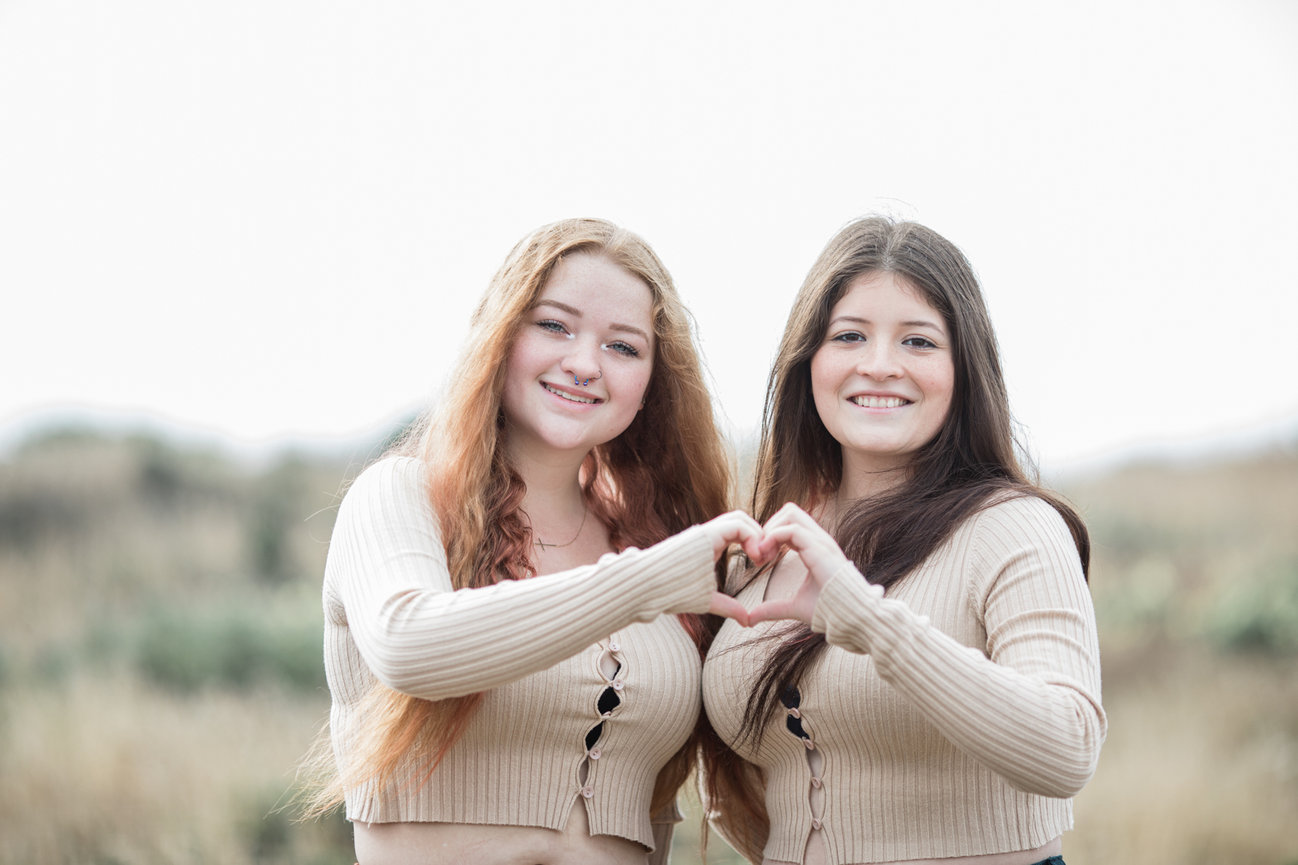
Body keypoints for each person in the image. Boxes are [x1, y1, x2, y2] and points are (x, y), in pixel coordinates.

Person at [299, 217, 763, 865]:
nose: (583, 362)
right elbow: (410, 644)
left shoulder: (658, 542)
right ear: (500, 333)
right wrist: (640, 582)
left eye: (623, 347)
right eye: (554, 325)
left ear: (652, 384)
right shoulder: (399, 496)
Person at [701, 217, 1106, 865]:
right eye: (850, 335)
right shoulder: (768, 542)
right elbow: (746, 784)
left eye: (918, 341)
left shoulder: (1013, 526)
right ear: (809, 360)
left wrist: (867, 618)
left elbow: (1067, 749)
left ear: (963, 368)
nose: (881, 365)